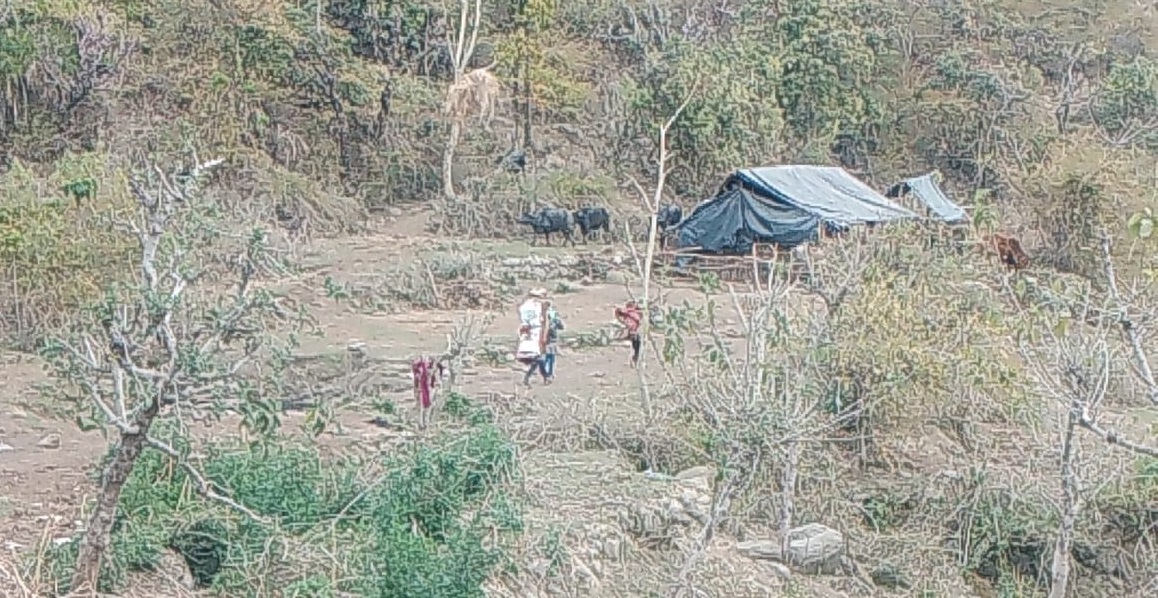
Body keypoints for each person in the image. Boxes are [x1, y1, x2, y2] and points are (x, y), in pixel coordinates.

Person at [516, 288, 551, 386]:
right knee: (537, 356)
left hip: (526, 330)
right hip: (536, 330)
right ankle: (539, 376)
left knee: (534, 355)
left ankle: (543, 376)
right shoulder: (539, 306)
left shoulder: (523, 306)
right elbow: (545, 321)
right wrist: (544, 335)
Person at [615, 301, 643, 367]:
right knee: (635, 346)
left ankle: (634, 360)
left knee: (636, 346)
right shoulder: (628, 312)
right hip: (632, 331)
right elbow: (618, 311)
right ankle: (633, 360)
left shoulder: (633, 312)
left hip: (633, 331)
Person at [543, 304, 565, 380]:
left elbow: (562, 327)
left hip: (552, 340)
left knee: (551, 357)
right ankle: (548, 373)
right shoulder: (546, 320)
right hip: (547, 340)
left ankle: (550, 373)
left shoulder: (553, 320)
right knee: (549, 357)